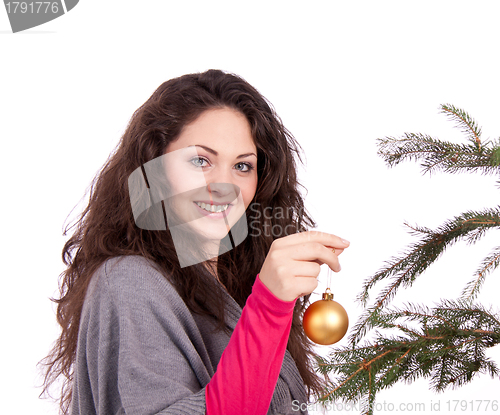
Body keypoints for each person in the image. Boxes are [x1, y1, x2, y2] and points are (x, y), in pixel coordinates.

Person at [40, 69, 350, 415]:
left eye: (243, 166)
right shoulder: (129, 282)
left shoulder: (232, 287)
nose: (224, 185)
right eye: (200, 160)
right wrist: (268, 307)